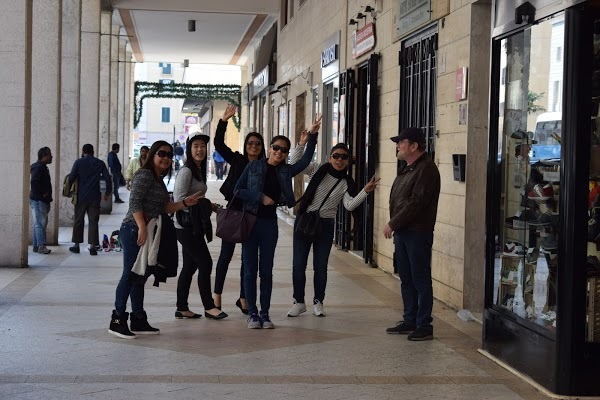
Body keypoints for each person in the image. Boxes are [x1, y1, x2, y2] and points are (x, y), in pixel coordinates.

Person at [108, 140, 204, 339]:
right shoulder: (144, 175)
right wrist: (142, 227)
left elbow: (165, 208)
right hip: (134, 229)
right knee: (130, 275)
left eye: (169, 155)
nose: (166, 158)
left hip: (147, 230)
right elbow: (134, 202)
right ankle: (117, 319)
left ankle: (138, 318)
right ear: (152, 155)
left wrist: (185, 202)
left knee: (140, 276)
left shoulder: (158, 179)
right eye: (162, 153)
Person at [235, 116, 321, 329]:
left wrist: (312, 135)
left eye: (284, 150)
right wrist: (259, 197)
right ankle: (252, 313)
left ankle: (265, 313)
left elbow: (305, 161)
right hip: (250, 222)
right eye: (276, 148)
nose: (279, 152)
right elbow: (237, 190)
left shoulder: (285, 170)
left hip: (268, 225)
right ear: (270, 148)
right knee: (249, 270)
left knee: (266, 270)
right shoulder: (253, 166)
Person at [287, 140, 379, 317]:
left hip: (325, 225)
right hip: (305, 220)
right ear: (330, 158)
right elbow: (295, 164)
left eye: (344, 157)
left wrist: (365, 191)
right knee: (298, 265)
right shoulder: (317, 169)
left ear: (348, 161)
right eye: (336, 156)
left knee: (320, 267)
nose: (339, 160)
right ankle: (298, 302)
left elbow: (350, 205)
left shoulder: (346, 182)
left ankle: (318, 302)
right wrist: (302, 143)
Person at [383, 128, 440, 341]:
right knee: (406, 278)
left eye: (401, 142)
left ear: (414, 146)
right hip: (404, 231)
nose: (397, 146)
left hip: (417, 232)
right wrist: (397, 225)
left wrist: (393, 223)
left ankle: (424, 325)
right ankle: (410, 319)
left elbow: (416, 202)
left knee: (420, 279)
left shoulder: (426, 169)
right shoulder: (408, 168)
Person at [212, 105, 266, 314]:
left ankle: (243, 298)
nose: (253, 146)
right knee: (225, 256)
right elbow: (218, 144)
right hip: (234, 212)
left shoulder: (264, 166)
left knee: (248, 259)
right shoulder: (237, 159)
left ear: (261, 147)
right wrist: (223, 121)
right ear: (246, 145)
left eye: (257, 143)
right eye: (250, 143)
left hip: (253, 215)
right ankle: (217, 296)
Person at [173, 132, 228, 320]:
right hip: (185, 226)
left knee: (189, 266)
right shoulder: (186, 170)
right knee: (205, 262)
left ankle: (182, 308)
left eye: (203, 146)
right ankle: (209, 306)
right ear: (189, 149)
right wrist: (200, 203)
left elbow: (197, 197)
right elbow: (179, 199)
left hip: (193, 224)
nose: (199, 150)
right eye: (196, 146)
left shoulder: (198, 169)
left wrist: (211, 206)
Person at [68, 144, 112, 256]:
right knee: (93, 221)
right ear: (93, 151)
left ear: (83, 151)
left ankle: (76, 245)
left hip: (81, 196)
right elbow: (107, 177)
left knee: (78, 220)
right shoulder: (100, 163)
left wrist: (69, 190)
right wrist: (107, 192)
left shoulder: (78, 162)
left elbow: (71, 177)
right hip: (95, 196)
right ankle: (93, 246)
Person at [30, 147, 54, 254]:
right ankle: (41, 246)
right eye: (50, 154)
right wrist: (42, 194)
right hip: (39, 200)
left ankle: (36, 245)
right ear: (44, 155)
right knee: (40, 223)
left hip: (39, 200)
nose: (52, 157)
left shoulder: (40, 167)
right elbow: (34, 182)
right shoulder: (39, 167)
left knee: (39, 223)